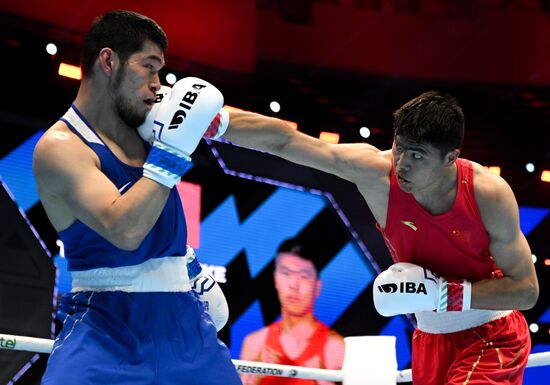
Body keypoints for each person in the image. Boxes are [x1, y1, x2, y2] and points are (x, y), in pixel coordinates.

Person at [207, 90, 539, 385]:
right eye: (400, 148)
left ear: (451, 158)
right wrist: (218, 122)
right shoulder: (377, 173)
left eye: (418, 155)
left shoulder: (487, 194)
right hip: (430, 338)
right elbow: (288, 142)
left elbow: (525, 291)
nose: (403, 164)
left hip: (492, 336)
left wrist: (442, 296)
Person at [32, 10, 241, 385]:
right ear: (108, 61)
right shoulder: (60, 147)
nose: (159, 85)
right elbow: (125, 231)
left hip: (187, 330)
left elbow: (276, 138)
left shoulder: (149, 128)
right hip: (104, 331)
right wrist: (173, 151)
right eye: (149, 67)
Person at [239, 237, 345, 385]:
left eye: (303, 276)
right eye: (286, 273)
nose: (293, 285)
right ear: (275, 279)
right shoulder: (255, 344)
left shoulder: (335, 348)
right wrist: (253, 379)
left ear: (317, 287)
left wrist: (323, 381)